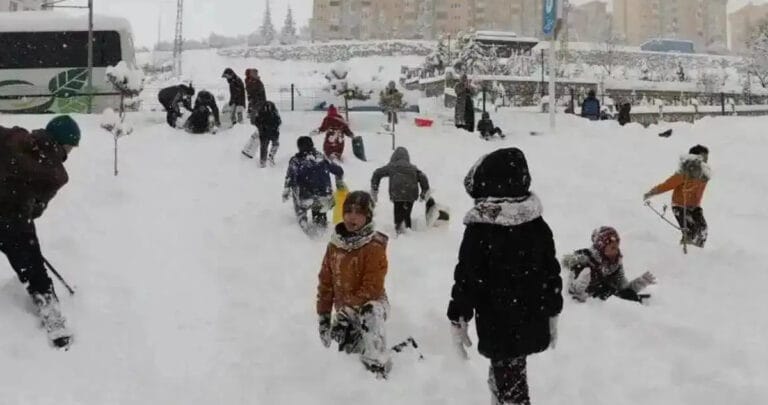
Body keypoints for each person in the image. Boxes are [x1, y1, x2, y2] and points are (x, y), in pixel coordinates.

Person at [447, 148, 562, 405]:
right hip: (531, 315)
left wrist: (458, 313)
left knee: (512, 384)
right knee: (510, 374)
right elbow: (550, 271)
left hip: (497, 321)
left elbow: (467, 276)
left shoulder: (481, 230)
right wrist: (553, 308)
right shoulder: (536, 224)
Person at [0, 115, 80, 348]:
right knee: (33, 268)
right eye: (71, 147)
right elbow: (37, 207)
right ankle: (51, 314)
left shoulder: (13, 137)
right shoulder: (57, 174)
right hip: (13, 223)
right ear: (65, 144)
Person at [316, 191, 392, 378]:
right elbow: (326, 283)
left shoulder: (373, 247)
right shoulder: (334, 246)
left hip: (373, 306)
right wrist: (324, 317)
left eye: (359, 212)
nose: (352, 217)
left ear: (367, 217)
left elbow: (372, 287)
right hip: (344, 313)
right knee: (349, 359)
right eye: (348, 211)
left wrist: (346, 313)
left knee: (370, 311)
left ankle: (379, 363)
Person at [563, 227, 657, 303]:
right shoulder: (584, 260)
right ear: (601, 246)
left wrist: (639, 283)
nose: (616, 250)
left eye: (617, 247)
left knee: (624, 293)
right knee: (606, 290)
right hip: (589, 302)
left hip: (605, 296)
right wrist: (577, 290)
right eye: (612, 247)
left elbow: (622, 288)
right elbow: (567, 287)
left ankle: (643, 306)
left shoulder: (615, 264)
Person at [644, 145, 711, 248]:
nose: (705, 160)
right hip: (680, 206)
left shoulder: (705, 173)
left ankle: (698, 252)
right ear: (694, 157)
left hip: (695, 207)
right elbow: (668, 184)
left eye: (706, 158)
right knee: (690, 230)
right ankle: (685, 252)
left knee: (703, 229)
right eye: (703, 157)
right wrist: (652, 192)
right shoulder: (685, 172)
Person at [283, 137, 345, 236]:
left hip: (306, 197)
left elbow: (290, 178)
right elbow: (339, 171)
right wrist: (339, 180)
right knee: (320, 209)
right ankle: (321, 230)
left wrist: (287, 190)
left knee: (297, 194)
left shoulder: (296, 161)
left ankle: (302, 223)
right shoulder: (321, 157)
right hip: (325, 195)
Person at [370, 147, 430, 234]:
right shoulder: (413, 168)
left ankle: (399, 230)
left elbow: (377, 173)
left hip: (397, 193)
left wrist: (374, 188)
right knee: (407, 212)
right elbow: (423, 177)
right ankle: (407, 228)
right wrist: (424, 192)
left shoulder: (391, 166)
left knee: (398, 212)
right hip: (411, 193)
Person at [254, 100, 282, 167]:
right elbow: (279, 121)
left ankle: (263, 161)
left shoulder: (260, 113)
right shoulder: (274, 112)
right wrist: (274, 127)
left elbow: (256, 122)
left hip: (264, 133)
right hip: (273, 132)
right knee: (275, 144)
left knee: (264, 147)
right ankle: (270, 156)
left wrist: (261, 127)